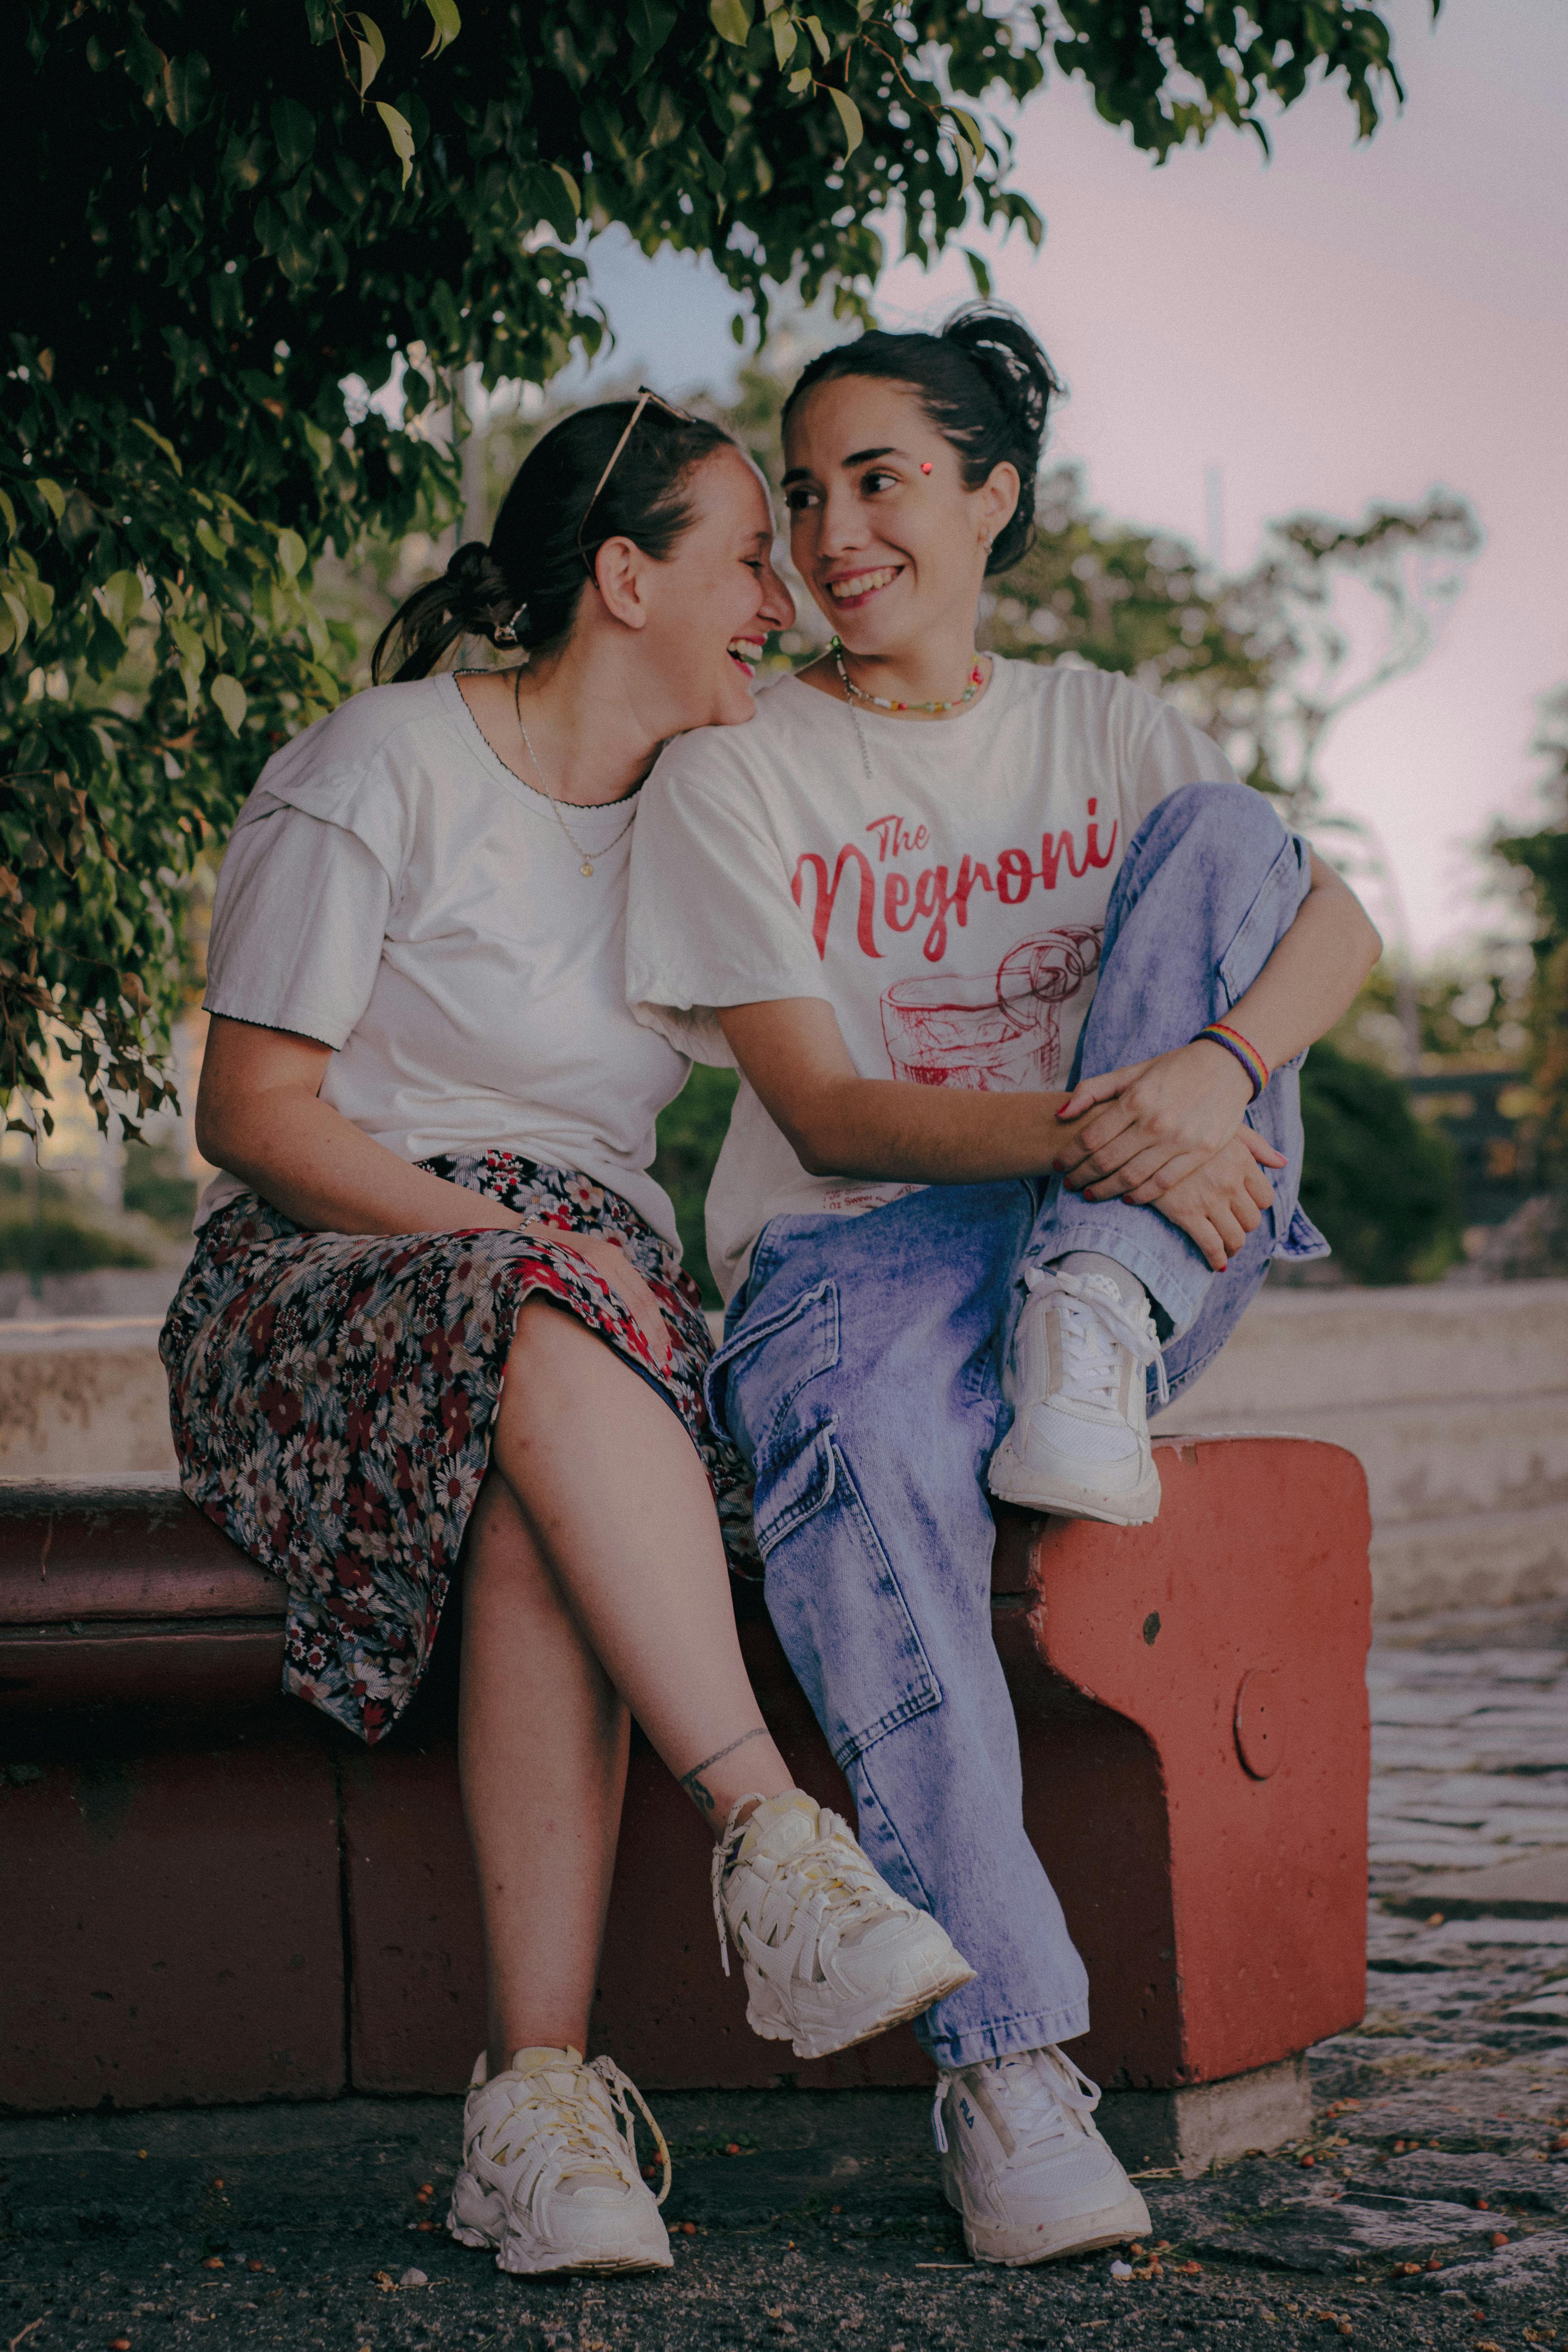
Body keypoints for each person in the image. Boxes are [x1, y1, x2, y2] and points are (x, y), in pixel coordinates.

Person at [159, 392, 973, 2282]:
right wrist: (523, 1244)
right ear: (624, 577)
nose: (782, 593)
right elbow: (257, 1113)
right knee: (531, 1312)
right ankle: (768, 1837)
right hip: (327, 1260)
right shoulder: (384, 764)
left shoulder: (705, 807)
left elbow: (905, 930)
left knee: (534, 1473)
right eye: (746, 556)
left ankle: (535, 2110)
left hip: (558, 1304)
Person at [625, 308, 1383, 2267]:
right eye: (802, 493)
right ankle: (1012, 2064)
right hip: (859, 1250)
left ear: (991, 496)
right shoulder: (737, 764)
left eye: (876, 477)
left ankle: (1091, 1319)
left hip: (1124, 1247)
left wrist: (1212, 1078)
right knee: (862, 1448)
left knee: (1231, 838)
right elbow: (816, 1100)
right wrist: (1097, 1138)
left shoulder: (1108, 725)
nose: (828, 529)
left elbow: (1333, 922)